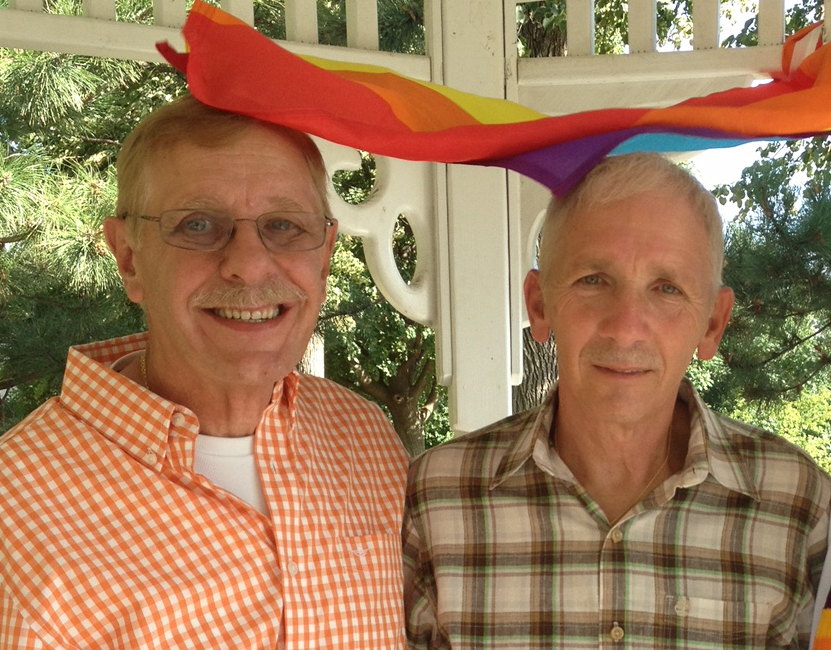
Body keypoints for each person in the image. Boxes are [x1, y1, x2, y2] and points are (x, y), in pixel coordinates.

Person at [0, 93, 409, 649]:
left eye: (284, 225)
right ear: (129, 257)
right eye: (197, 225)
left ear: (325, 254)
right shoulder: (16, 511)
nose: (248, 263)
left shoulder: (363, 437)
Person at [403, 152, 831, 649]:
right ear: (539, 305)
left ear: (712, 323)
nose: (626, 327)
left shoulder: (800, 508)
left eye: (666, 288)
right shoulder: (435, 502)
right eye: (593, 280)